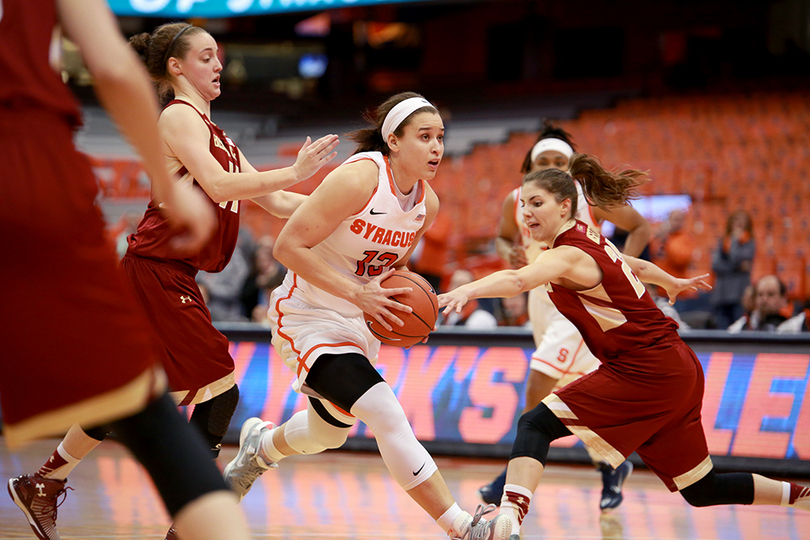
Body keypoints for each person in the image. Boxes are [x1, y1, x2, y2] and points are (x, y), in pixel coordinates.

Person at [9, 19, 339, 540]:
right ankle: (191, 524)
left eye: (218, 56)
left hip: (169, 272)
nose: (218, 64)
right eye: (206, 56)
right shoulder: (178, 117)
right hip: (155, 270)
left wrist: (341, 211)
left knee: (135, 396)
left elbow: (272, 201)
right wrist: (294, 172)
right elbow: (219, 184)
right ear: (176, 67)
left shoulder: (219, 135)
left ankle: (43, 482)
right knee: (220, 389)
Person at [438, 155, 810, 540]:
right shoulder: (591, 237)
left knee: (535, 423)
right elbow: (638, 266)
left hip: (645, 368)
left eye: (537, 203)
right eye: (524, 205)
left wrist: (466, 289)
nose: (527, 213)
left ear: (565, 205)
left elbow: (517, 280)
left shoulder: (567, 252)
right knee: (701, 488)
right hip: (677, 366)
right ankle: (804, 494)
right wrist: (671, 281)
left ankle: (505, 524)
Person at [222, 92, 512, 540]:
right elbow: (287, 247)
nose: (436, 147)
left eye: (440, 137)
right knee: (385, 411)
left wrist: (408, 307)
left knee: (328, 433)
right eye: (424, 136)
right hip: (308, 315)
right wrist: (359, 293)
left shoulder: (426, 206)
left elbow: (394, 269)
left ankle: (261, 447)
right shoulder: (359, 178)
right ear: (393, 140)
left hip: (359, 321)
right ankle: (463, 527)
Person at [480, 122, 650, 511]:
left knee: (539, 378)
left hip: (582, 302)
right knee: (573, 393)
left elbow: (640, 226)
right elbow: (504, 237)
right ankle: (612, 465)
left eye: (561, 160)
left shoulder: (588, 198)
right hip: (541, 301)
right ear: (530, 167)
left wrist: (620, 267)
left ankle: (514, 472)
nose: (554, 166)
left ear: (572, 165)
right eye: (545, 161)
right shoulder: (516, 200)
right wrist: (510, 254)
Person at [710, 210, 755, 329]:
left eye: (742, 220)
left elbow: (735, 258)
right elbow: (715, 265)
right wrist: (737, 267)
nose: (739, 223)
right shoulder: (723, 241)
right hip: (721, 294)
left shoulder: (749, 242)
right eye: (736, 219)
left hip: (739, 295)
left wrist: (734, 241)